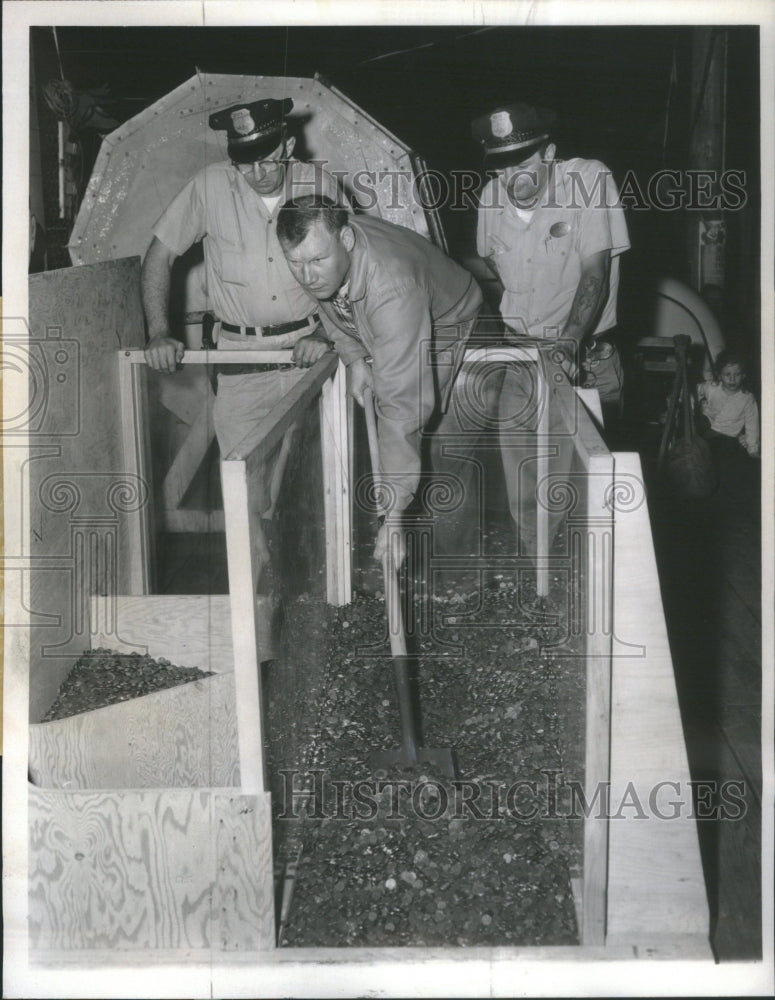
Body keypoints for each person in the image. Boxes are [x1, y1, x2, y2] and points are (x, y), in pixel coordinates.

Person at [141, 98, 346, 580]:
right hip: (241, 357)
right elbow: (157, 258)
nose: (258, 173)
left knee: (310, 485)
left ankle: (315, 594)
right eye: (245, 163)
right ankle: (256, 605)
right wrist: (158, 331)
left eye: (268, 159)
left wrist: (328, 333)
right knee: (240, 484)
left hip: (308, 355)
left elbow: (351, 267)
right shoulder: (209, 186)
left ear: (289, 145)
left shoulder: (319, 186)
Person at [276, 196, 484, 562]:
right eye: (295, 263)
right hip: (399, 316)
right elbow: (327, 303)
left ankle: (458, 574)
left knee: (443, 448)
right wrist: (355, 357)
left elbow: (402, 404)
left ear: (347, 241)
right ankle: (409, 546)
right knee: (406, 444)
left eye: (316, 262)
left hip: (458, 322)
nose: (306, 276)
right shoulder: (323, 255)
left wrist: (395, 515)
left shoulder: (392, 288)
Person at [472, 102, 630, 557]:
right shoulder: (490, 199)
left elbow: (595, 275)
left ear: (549, 153)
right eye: (501, 169)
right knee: (522, 476)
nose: (513, 180)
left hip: (579, 356)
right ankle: (535, 570)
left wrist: (566, 342)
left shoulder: (588, 181)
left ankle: (571, 579)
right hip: (521, 356)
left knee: (579, 485)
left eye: (522, 164)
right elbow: (493, 266)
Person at [696, 350, 759, 459]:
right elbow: (693, 391)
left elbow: (752, 424)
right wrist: (699, 401)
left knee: (726, 457)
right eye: (727, 374)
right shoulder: (712, 387)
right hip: (706, 431)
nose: (732, 379)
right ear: (719, 375)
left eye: (737, 374)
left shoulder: (747, 398)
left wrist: (752, 449)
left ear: (743, 375)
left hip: (728, 438)